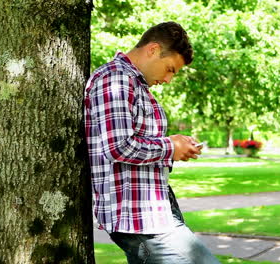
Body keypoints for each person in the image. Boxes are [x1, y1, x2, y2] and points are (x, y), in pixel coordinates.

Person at [84, 21, 220, 264]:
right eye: (170, 69)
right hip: (137, 220)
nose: (168, 79)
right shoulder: (115, 79)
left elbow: (140, 141)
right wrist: (171, 147)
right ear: (153, 50)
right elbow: (118, 146)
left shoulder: (135, 84)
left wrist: (177, 146)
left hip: (155, 211)